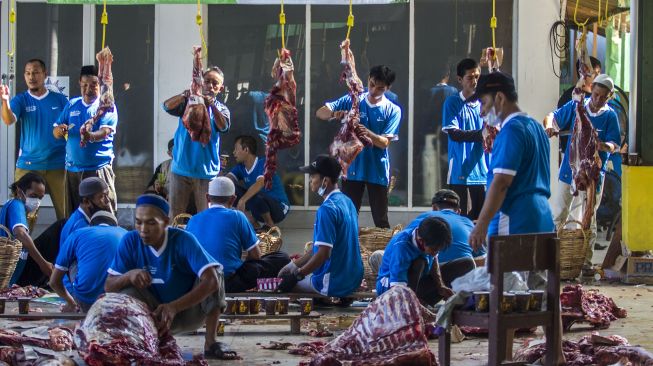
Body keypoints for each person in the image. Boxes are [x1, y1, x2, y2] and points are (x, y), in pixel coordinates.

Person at [105, 194, 237, 360]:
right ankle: (141, 343)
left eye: (151, 222)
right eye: (138, 222)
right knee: (126, 289)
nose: (143, 229)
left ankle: (211, 343)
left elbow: (211, 281)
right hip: (153, 316)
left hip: (187, 312)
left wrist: (173, 307)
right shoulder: (130, 241)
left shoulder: (183, 240)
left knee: (215, 272)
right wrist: (129, 275)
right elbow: (108, 286)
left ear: (166, 222)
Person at [467, 71, 555, 261]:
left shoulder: (511, 131)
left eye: (483, 103)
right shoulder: (537, 128)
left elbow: (501, 183)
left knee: (507, 287)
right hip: (542, 218)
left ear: (499, 97)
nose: (481, 111)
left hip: (515, 220)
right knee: (536, 288)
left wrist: (481, 224)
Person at [543, 74, 620, 275]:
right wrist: (549, 127)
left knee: (589, 217)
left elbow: (614, 143)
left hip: (593, 175)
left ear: (609, 97)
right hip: (569, 171)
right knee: (559, 212)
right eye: (595, 94)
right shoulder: (576, 107)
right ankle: (553, 258)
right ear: (590, 90)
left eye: (603, 97)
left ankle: (585, 262)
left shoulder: (610, 116)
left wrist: (603, 145)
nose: (597, 100)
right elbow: (553, 116)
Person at [316, 65, 401, 228]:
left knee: (381, 219)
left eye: (380, 88)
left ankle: (383, 252)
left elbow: (384, 143)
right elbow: (320, 113)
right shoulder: (353, 99)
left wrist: (367, 133)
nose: (374, 90)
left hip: (377, 170)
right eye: (372, 84)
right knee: (349, 217)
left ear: (388, 88)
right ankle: (349, 250)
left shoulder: (393, 109)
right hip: (353, 169)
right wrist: (335, 114)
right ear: (368, 79)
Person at [277, 155, 363, 298]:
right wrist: (294, 265)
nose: (310, 179)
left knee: (282, 287)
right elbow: (319, 248)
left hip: (334, 283)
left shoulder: (327, 209)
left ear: (325, 181)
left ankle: (324, 298)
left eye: (313, 176)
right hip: (353, 280)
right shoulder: (347, 202)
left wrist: (297, 276)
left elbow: (323, 254)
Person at [186, 177, 290, 292]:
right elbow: (256, 255)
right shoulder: (238, 216)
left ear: (207, 197)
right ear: (233, 199)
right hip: (230, 283)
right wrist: (240, 264)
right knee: (282, 257)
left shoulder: (193, 220)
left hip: (200, 283)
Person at [1, 59, 69, 220]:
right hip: (29, 166)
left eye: (36, 72)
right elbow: (8, 120)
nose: (31, 76)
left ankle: (67, 245)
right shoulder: (21, 99)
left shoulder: (60, 100)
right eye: (28, 73)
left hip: (58, 165)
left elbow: (69, 125)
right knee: (23, 216)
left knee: (67, 214)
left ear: (44, 75)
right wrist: (4, 101)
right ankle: (20, 246)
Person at [162, 66, 231, 219]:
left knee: (206, 217)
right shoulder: (188, 102)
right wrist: (183, 95)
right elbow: (166, 106)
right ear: (201, 83)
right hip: (180, 170)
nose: (210, 86)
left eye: (215, 83)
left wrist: (211, 104)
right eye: (207, 81)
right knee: (175, 216)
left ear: (221, 88)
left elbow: (224, 126)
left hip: (206, 174)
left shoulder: (222, 109)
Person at [53, 65, 118, 216]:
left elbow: (105, 132)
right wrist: (60, 130)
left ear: (100, 85)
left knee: (104, 214)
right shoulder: (72, 105)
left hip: (98, 170)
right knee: (74, 215)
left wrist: (90, 136)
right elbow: (55, 130)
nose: (89, 89)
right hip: (72, 171)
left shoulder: (107, 106)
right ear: (80, 84)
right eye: (85, 85)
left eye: (94, 85)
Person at [371, 189, 480, 278]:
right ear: (459, 211)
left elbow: (402, 244)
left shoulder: (426, 218)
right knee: (468, 263)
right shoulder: (468, 223)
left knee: (377, 256)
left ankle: (411, 293)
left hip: (425, 276)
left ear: (434, 208)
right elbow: (481, 260)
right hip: (454, 277)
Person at [50, 211, 126, 312]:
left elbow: (54, 282)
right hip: (118, 300)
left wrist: (70, 302)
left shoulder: (78, 233)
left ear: (90, 225)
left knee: (74, 261)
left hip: (86, 301)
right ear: (116, 226)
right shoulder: (126, 234)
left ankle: (76, 304)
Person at [441, 58, 487, 220]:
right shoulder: (452, 102)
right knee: (462, 220)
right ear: (460, 79)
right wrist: (482, 134)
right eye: (470, 77)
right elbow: (454, 134)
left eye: (477, 77)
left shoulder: (485, 102)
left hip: (482, 173)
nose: (475, 81)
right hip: (460, 173)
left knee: (481, 222)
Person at [374, 217, 454, 305]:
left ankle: (418, 301)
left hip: (416, 282)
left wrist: (440, 286)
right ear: (421, 241)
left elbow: (434, 259)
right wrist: (412, 307)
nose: (435, 253)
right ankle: (412, 304)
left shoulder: (427, 234)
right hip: (391, 288)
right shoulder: (401, 247)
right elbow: (397, 288)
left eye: (438, 250)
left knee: (466, 263)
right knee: (420, 262)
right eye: (434, 250)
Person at [226, 135, 290, 231]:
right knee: (230, 187)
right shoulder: (240, 167)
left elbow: (260, 183)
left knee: (256, 193)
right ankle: (253, 222)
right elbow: (226, 182)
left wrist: (242, 200)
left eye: (236, 149)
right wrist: (220, 171)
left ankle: (270, 225)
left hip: (279, 208)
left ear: (246, 150)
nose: (233, 152)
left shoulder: (264, 163)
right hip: (259, 208)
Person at [0, 172, 52, 285]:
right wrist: (43, 263)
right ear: (19, 192)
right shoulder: (16, 204)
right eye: (33, 196)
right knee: (61, 226)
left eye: (40, 198)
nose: (37, 202)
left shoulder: (16, 207)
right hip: (12, 272)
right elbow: (20, 233)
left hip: (15, 272)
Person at [59, 177, 112, 247]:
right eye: (101, 196)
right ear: (86, 201)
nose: (107, 200)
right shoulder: (81, 227)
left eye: (107, 195)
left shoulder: (86, 218)